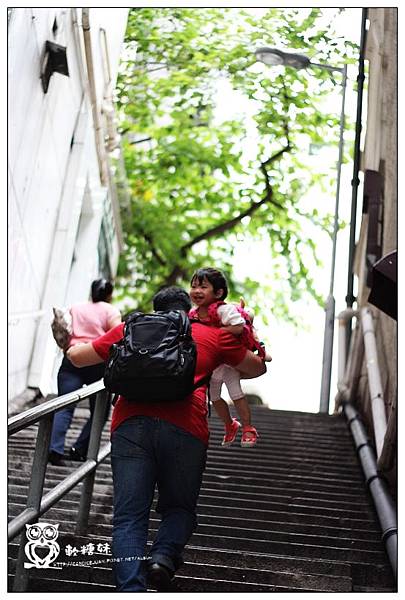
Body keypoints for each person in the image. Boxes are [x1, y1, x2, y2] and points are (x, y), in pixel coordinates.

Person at [66, 286, 266, 592]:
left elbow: (78, 358)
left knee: (129, 517)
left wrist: (68, 340)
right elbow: (256, 368)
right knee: (179, 509)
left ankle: (130, 589)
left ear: (154, 307)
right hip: (186, 429)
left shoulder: (130, 329)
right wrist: (250, 337)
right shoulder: (213, 336)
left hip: (130, 426)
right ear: (188, 309)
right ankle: (162, 558)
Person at [189, 267, 271, 448]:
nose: (196, 291)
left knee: (236, 393)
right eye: (194, 286)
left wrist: (212, 334)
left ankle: (248, 428)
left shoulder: (222, 310)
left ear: (218, 292)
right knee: (214, 397)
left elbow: (238, 326)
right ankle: (230, 425)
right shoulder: (193, 314)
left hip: (227, 363)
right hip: (213, 365)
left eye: (203, 287)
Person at [48, 278, 121, 465]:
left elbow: (65, 329)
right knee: (100, 411)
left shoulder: (76, 307)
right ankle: (79, 449)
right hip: (96, 360)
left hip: (72, 357)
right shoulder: (110, 310)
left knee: (64, 404)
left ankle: (54, 448)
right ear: (109, 294)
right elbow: (117, 336)